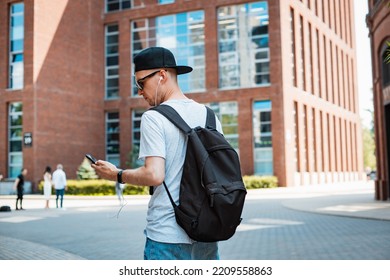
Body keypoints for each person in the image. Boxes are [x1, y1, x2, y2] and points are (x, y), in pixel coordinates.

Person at [92, 47, 223, 260]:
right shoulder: (209, 116)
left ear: (162, 75)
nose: (139, 91)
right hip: (207, 234)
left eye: (141, 83)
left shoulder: (154, 118)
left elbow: (154, 175)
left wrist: (116, 174)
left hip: (168, 236)